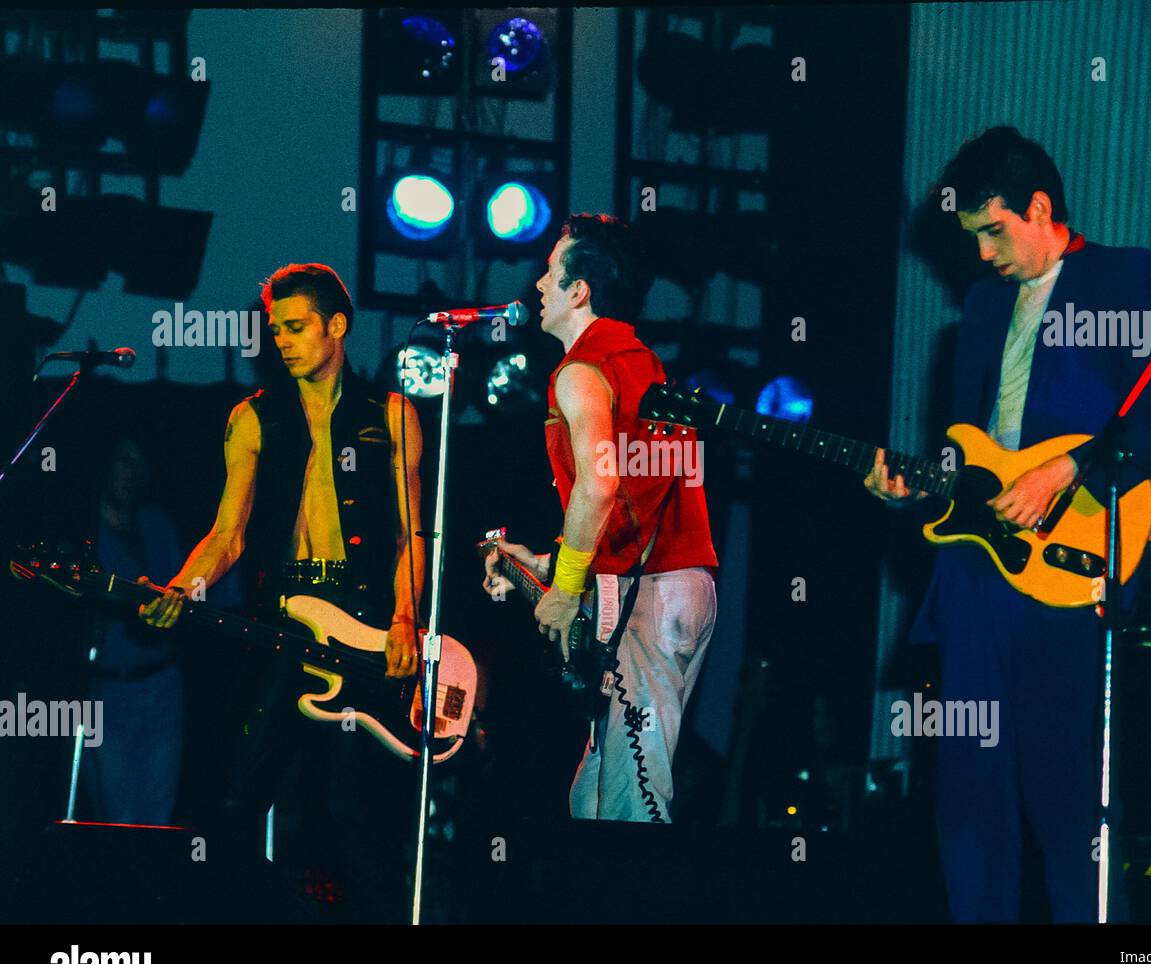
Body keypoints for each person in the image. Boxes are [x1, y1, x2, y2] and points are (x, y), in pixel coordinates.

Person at [866, 127, 1151, 921]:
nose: (981, 255)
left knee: (1063, 796)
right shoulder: (980, 311)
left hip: (1067, 572)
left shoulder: (1124, 275)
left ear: (1039, 207)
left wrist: (1071, 465)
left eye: (993, 230)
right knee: (968, 798)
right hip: (976, 576)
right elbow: (964, 458)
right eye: (973, 236)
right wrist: (915, 488)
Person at [139, 263, 423, 922]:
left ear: (337, 326)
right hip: (284, 621)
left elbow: (414, 533)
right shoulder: (253, 417)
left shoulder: (391, 413)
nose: (283, 341)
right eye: (276, 330)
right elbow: (227, 534)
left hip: (367, 631)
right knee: (235, 801)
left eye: (296, 328)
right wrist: (185, 586)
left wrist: (406, 617)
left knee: (351, 809)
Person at [482, 213, 719, 822]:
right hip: (682, 588)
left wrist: (563, 589)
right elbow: (631, 498)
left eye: (549, 272)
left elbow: (600, 484)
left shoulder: (582, 371)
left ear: (579, 289)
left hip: (650, 600)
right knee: (594, 797)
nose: (537, 285)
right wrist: (547, 561)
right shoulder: (643, 363)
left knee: (632, 804)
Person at [84, 432, 185, 826]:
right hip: (107, 690)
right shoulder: (86, 534)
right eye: (124, 462)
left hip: (163, 684)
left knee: (159, 813)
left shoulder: (158, 526)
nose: (132, 474)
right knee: (118, 811)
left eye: (139, 465)